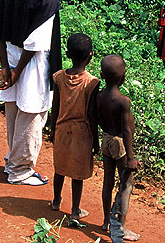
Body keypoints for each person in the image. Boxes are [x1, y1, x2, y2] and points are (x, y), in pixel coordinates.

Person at [0, 0, 61, 186]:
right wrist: (17, 72)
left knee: (13, 111)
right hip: (31, 63)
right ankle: (20, 170)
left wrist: (5, 67)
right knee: (32, 114)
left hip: (10, 54)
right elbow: (35, 44)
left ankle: (13, 159)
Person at [49, 33, 100, 220]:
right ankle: (75, 210)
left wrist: (53, 129)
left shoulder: (58, 77)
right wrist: (95, 141)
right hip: (82, 133)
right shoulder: (92, 83)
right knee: (77, 174)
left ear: (67, 54)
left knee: (59, 168)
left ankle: (56, 200)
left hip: (62, 129)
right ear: (91, 55)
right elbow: (92, 115)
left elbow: (55, 107)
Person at [96, 55, 140, 242]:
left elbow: (96, 119)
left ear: (102, 75)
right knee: (125, 186)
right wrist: (130, 158)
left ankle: (107, 220)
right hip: (120, 144)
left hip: (105, 140)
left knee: (108, 182)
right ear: (124, 77)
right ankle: (120, 226)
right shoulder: (123, 101)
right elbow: (127, 130)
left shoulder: (99, 96)